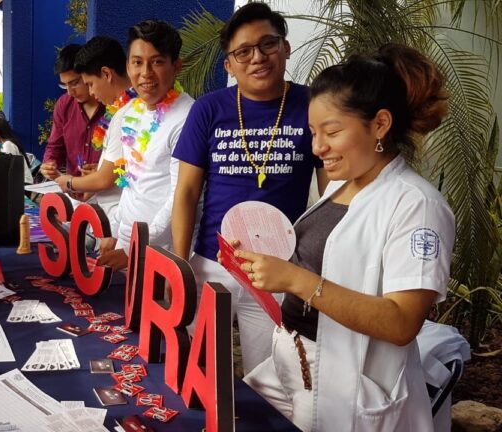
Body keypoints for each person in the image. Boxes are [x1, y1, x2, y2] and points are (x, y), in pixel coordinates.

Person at [232, 44, 453, 431]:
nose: (318, 148)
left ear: (380, 124)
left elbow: (402, 322)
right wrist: (260, 265)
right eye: (314, 133)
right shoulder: (343, 188)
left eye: (331, 132)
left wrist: (295, 280)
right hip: (289, 365)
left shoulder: (416, 205)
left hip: (345, 387)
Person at [171, 2, 327, 375]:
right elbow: (187, 193)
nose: (257, 57)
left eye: (268, 44)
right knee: (199, 372)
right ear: (228, 64)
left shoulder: (313, 106)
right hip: (213, 262)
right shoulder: (209, 109)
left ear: (285, 48)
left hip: (280, 269)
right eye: (243, 51)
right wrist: (181, 267)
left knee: (272, 378)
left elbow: (329, 196)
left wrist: (315, 271)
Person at [96, 19, 195, 270]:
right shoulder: (130, 111)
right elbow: (129, 182)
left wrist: (134, 251)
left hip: (162, 254)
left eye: (157, 62)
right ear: (128, 65)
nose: (145, 73)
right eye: (137, 62)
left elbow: (180, 198)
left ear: (176, 67)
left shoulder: (188, 117)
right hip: (127, 246)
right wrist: (116, 232)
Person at [53, 36, 136, 220]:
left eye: (90, 84)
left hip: (120, 219)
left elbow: (106, 179)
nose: (91, 92)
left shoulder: (126, 113)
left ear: (106, 74)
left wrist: (71, 182)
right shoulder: (123, 109)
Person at [40, 44, 105, 181]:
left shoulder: (111, 103)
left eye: (74, 83)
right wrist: (49, 163)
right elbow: (55, 145)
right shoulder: (64, 105)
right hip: (74, 190)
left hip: (108, 192)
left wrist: (103, 170)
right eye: (64, 85)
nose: (70, 92)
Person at [0, 117, 33, 184]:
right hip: (20, 182)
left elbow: (8, 169)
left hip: (23, 184)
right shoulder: (7, 143)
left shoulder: (8, 144)